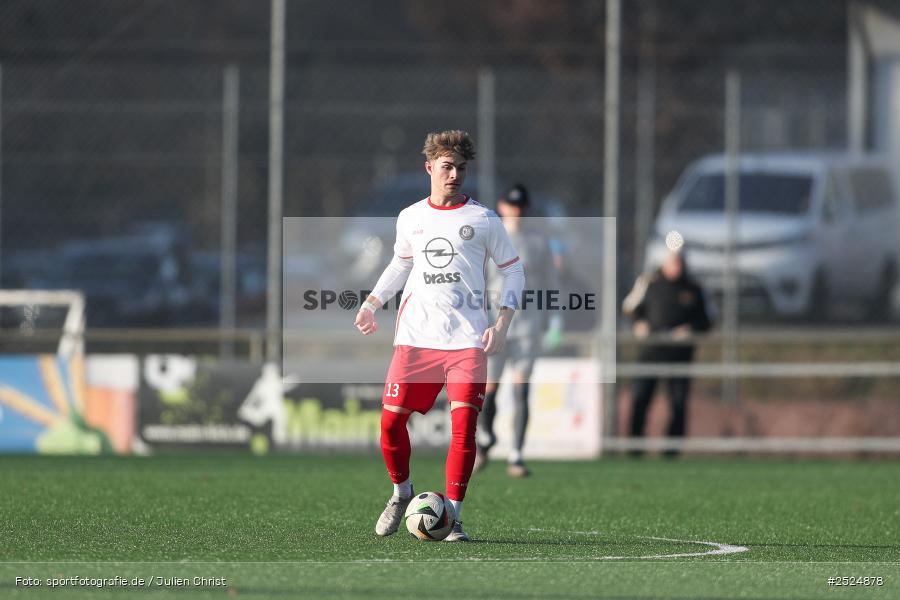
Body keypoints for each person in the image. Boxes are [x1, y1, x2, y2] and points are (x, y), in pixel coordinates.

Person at [354, 130, 525, 541]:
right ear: (429, 167)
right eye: (447, 167)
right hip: (416, 339)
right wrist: (372, 302)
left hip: (467, 341)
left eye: (461, 168)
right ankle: (401, 492)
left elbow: (513, 269)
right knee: (391, 425)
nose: (454, 175)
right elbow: (400, 264)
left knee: (465, 427)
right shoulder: (411, 217)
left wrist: (502, 324)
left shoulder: (483, 218)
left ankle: (455, 518)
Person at [474, 184, 563, 477]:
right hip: (496, 326)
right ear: (502, 207)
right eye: (513, 206)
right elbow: (480, 283)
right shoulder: (491, 241)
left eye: (522, 207)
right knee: (490, 389)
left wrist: (554, 319)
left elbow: (551, 283)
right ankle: (486, 440)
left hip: (528, 325)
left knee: (521, 388)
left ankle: (517, 455)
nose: (517, 212)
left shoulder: (538, 242)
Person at [622, 243, 711, 455]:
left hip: (680, 355)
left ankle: (672, 451)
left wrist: (690, 330)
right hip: (651, 353)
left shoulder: (694, 288)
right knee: (641, 399)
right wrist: (639, 324)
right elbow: (630, 308)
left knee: (678, 403)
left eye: (679, 260)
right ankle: (634, 449)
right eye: (672, 260)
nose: (676, 265)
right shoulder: (649, 282)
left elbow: (707, 320)